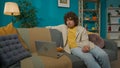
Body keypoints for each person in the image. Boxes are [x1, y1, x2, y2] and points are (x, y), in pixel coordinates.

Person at [46, 11, 111, 68]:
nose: (68, 22)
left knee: (103, 55)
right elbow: (51, 27)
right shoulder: (63, 27)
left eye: (70, 20)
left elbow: (85, 40)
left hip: (88, 45)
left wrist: (86, 46)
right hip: (75, 47)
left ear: (75, 20)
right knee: (88, 58)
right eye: (67, 20)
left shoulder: (81, 29)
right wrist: (39, 29)